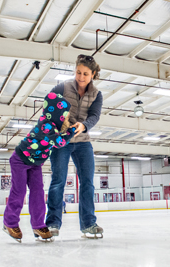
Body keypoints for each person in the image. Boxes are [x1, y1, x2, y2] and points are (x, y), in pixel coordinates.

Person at [3, 92, 75, 243]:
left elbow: (60, 139)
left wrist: (69, 130)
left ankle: (38, 224)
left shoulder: (54, 127)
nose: (66, 118)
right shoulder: (46, 125)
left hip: (35, 163)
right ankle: (9, 223)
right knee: (20, 190)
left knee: (38, 192)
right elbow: (59, 143)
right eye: (65, 115)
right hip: (20, 159)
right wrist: (71, 132)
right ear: (57, 112)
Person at [46, 54, 104, 238]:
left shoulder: (96, 94)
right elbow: (49, 102)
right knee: (58, 181)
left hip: (83, 142)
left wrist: (83, 125)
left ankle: (88, 224)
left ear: (93, 74)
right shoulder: (63, 87)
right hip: (62, 141)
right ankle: (52, 224)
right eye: (78, 72)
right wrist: (60, 121)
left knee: (87, 183)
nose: (81, 77)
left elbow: (94, 116)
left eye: (85, 74)